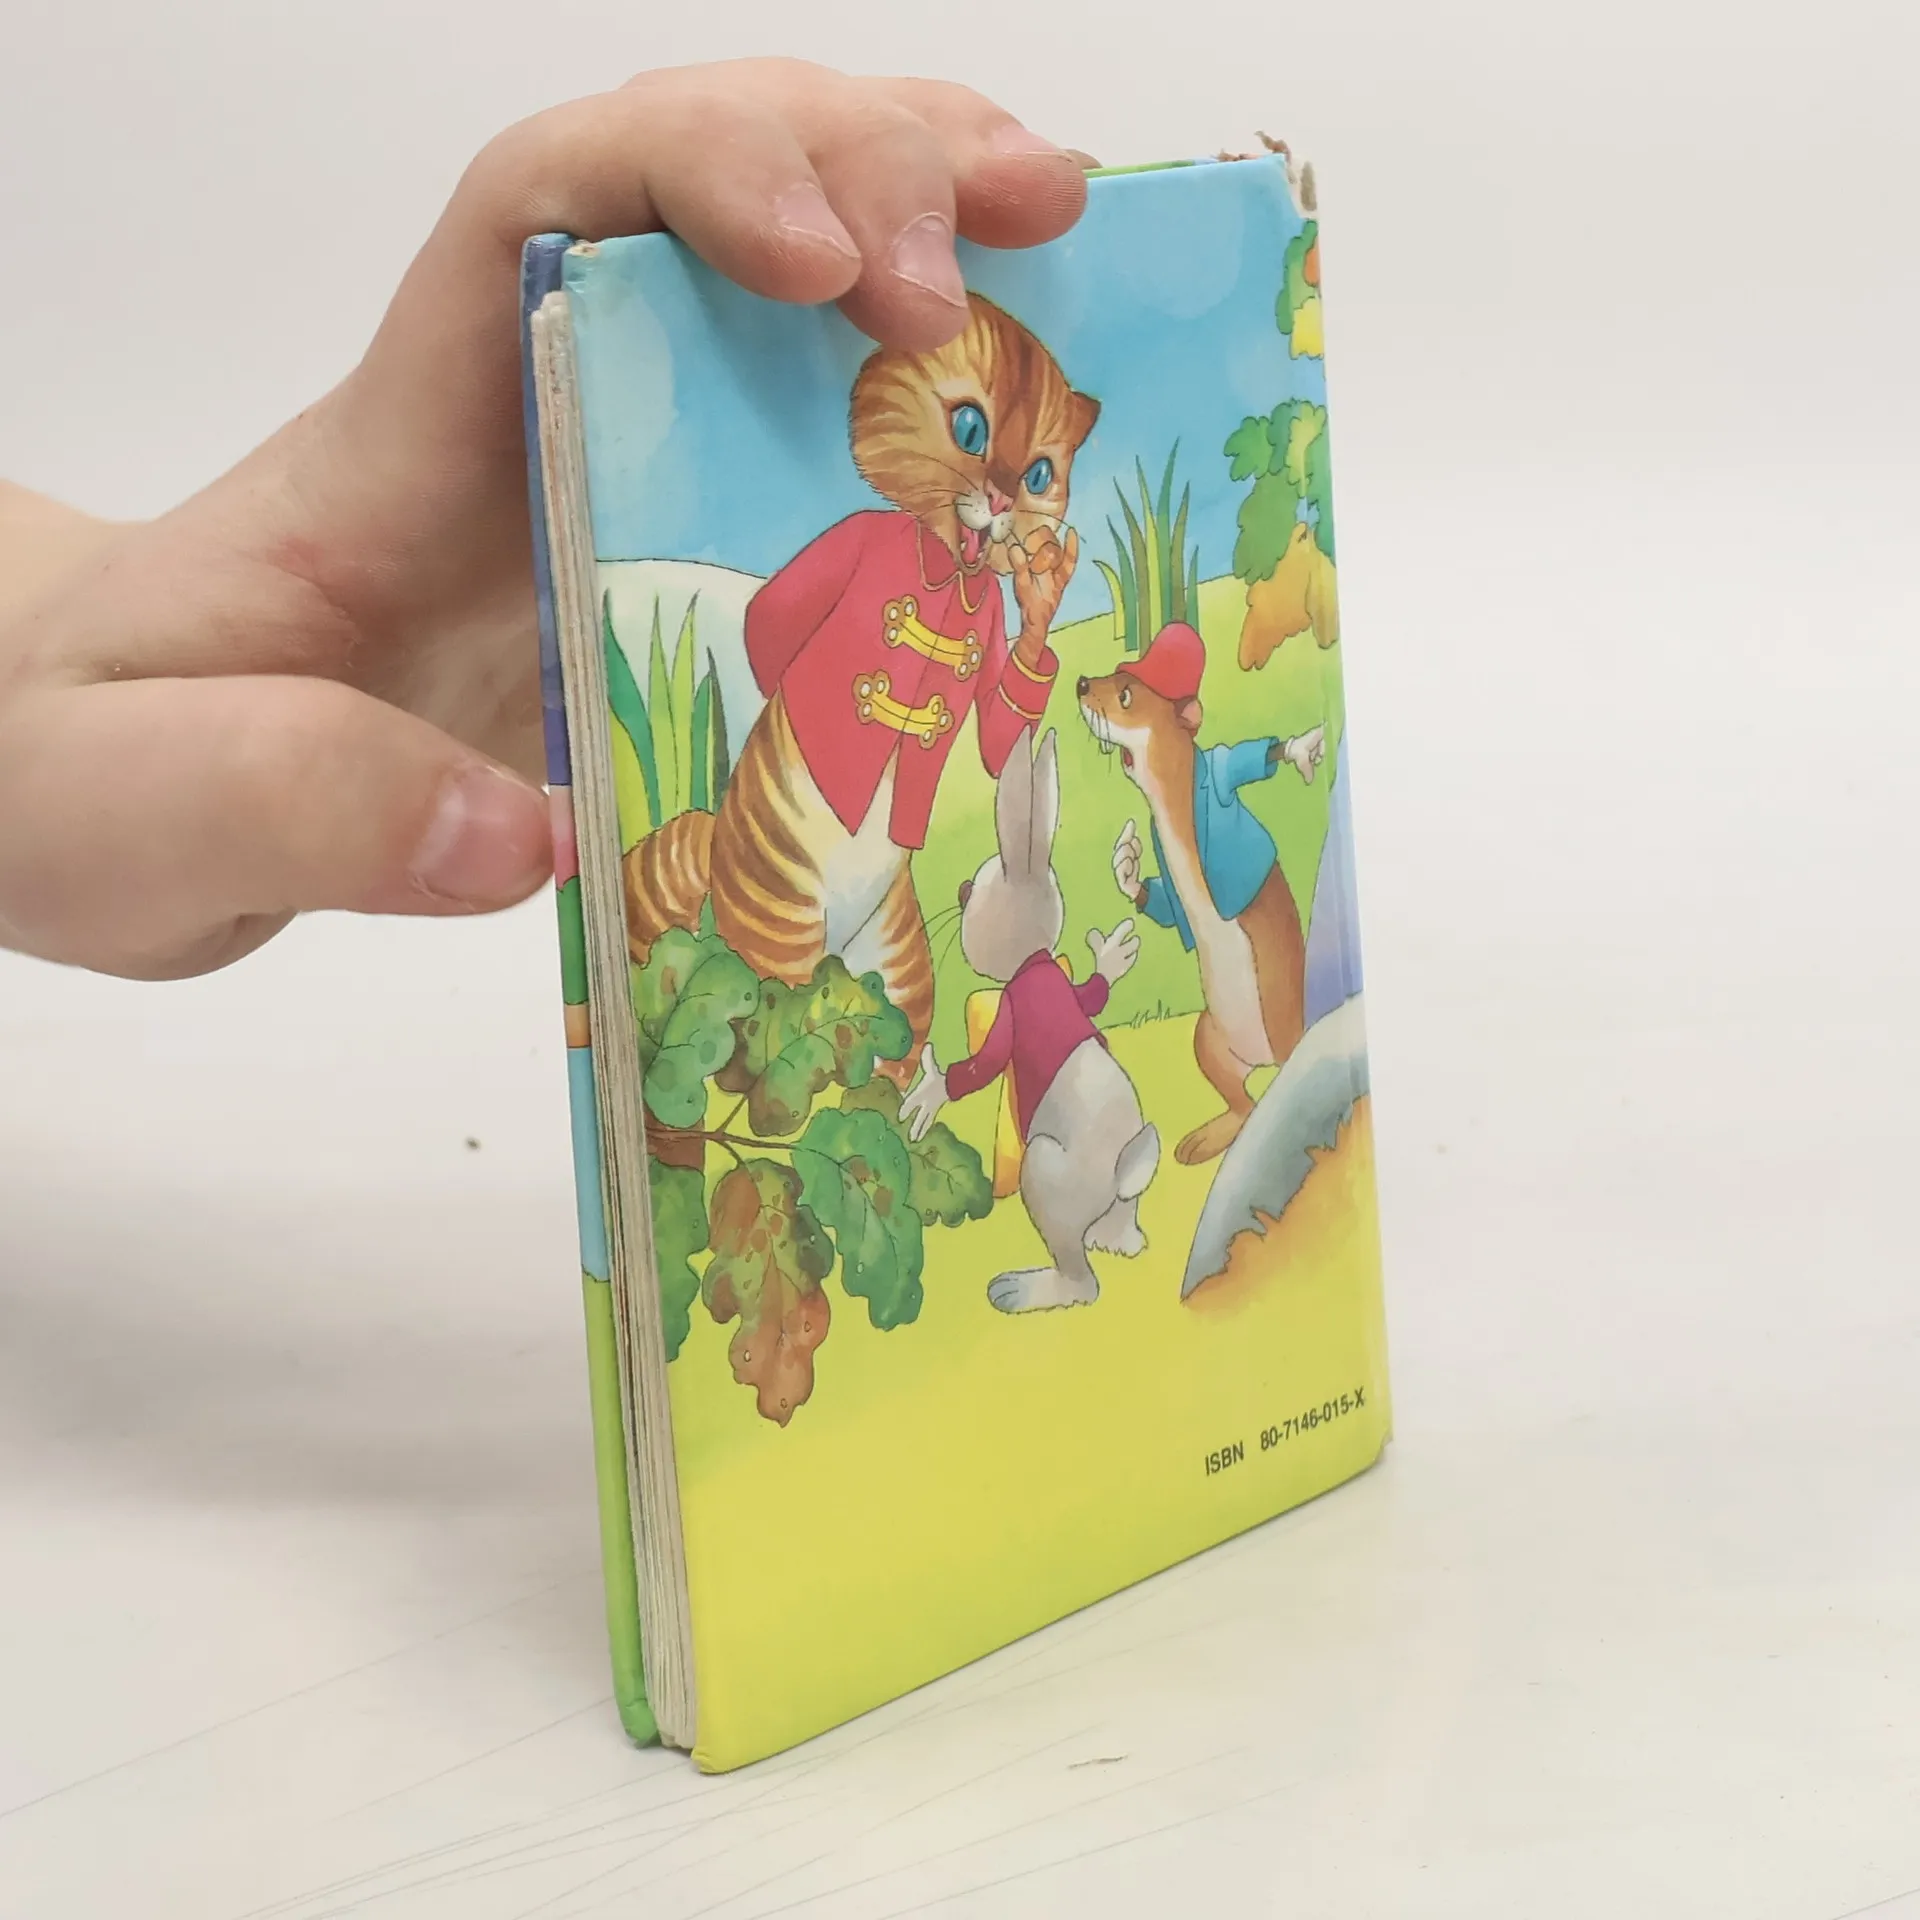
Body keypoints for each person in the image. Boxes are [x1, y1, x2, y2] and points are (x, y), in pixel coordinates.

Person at [0, 60, 1091, 980]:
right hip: (799, 809)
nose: (1001, 491)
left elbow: (999, 740)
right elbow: (771, 636)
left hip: (890, 857)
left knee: (897, 1004)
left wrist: (1035, 628)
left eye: (1036, 471)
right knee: (774, 973)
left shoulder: (983, 601)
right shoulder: (865, 547)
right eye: (971, 428)